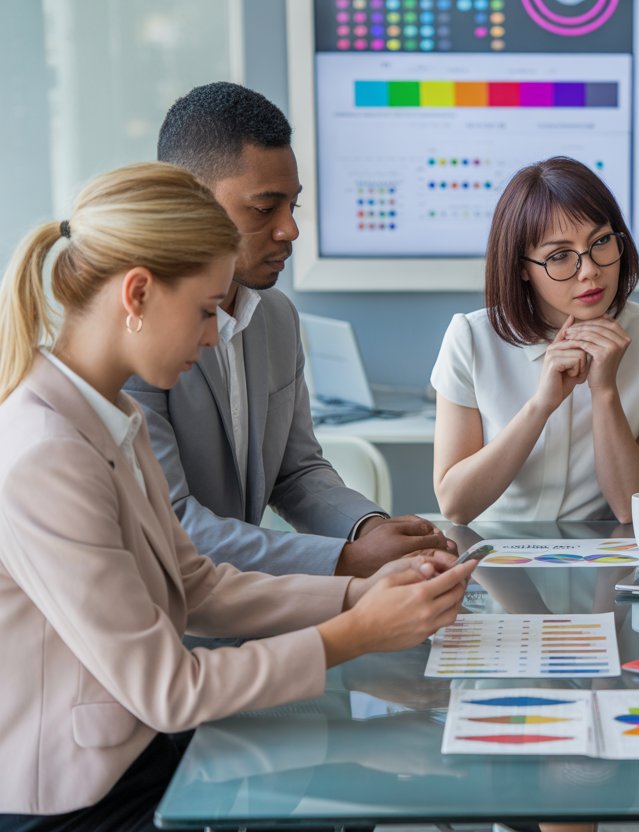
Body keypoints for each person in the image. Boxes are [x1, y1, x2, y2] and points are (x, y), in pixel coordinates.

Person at [0, 162, 476, 830]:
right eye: (205, 311)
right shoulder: (47, 451)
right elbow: (170, 689)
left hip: (145, 759)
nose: (214, 334)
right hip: (78, 802)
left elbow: (195, 584)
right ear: (136, 294)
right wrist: (355, 632)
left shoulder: (109, 416)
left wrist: (357, 594)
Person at [124, 82, 447, 578]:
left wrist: (369, 528)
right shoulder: (138, 330)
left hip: (242, 606)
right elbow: (173, 522)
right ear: (185, 199)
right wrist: (345, 561)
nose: (289, 230)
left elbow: (295, 471)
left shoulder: (276, 317)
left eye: (292, 207)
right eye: (262, 209)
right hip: (160, 614)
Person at [431, 156, 639, 523]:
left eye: (602, 241)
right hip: (496, 558)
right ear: (522, 269)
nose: (590, 270)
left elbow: (633, 512)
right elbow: (456, 506)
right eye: (559, 256)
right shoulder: (472, 338)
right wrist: (541, 405)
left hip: (609, 562)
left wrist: (605, 392)